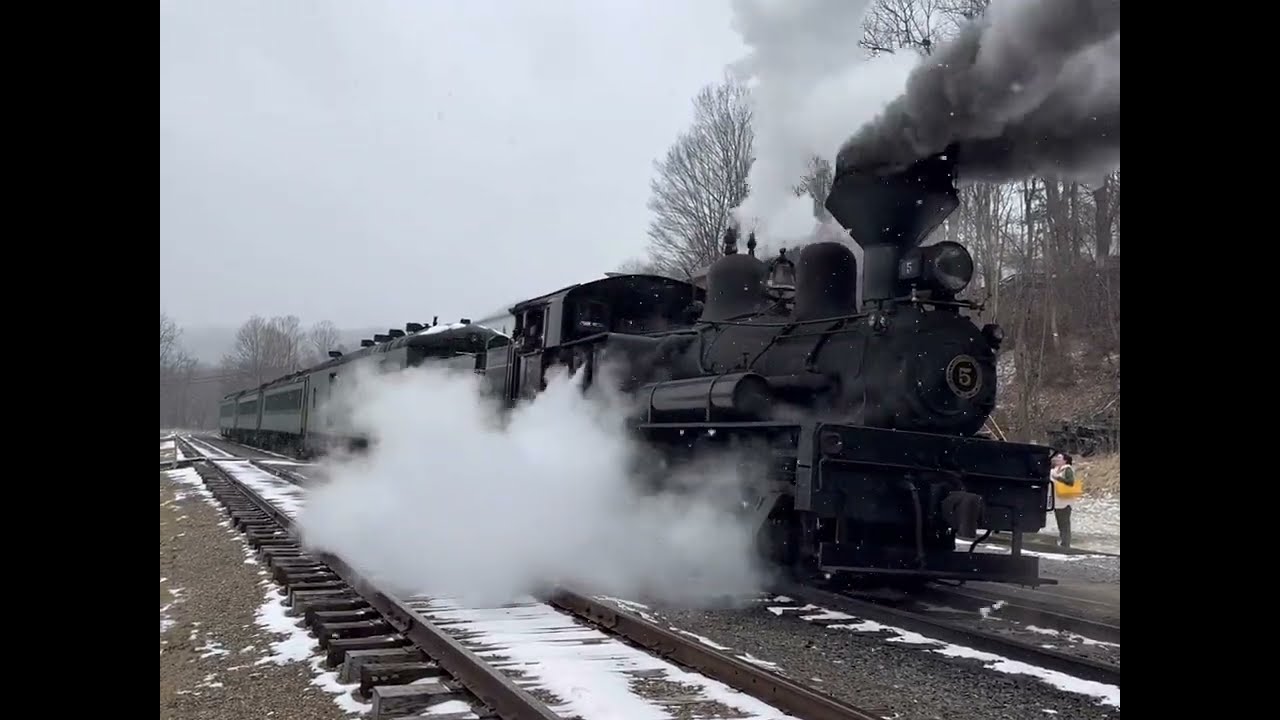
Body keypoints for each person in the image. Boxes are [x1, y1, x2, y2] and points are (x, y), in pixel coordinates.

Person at [1050, 452, 1082, 547]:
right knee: (1060, 523)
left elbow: (1070, 482)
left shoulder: (1067, 469)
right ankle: (1063, 542)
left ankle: (1066, 543)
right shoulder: (1054, 469)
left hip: (1065, 501)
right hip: (1057, 500)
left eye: (1059, 458)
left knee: (1065, 524)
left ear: (1065, 460)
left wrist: (1058, 478)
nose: (1057, 459)